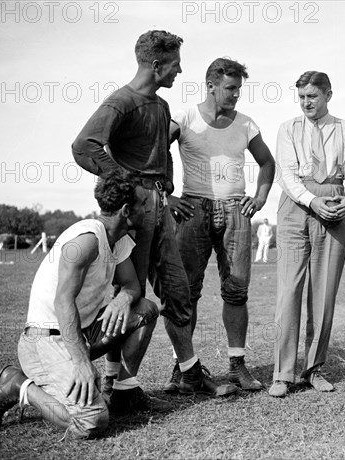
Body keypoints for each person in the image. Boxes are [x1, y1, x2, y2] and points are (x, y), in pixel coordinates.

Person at [72, 31, 234, 398]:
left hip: (161, 208)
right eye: (175, 64)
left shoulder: (160, 107)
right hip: (133, 210)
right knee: (131, 294)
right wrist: (124, 181)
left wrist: (167, 193)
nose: (180, 71)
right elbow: (84, 146)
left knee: (179, 290)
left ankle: (189, 373)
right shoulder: (121, 101)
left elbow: (163, 155)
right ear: (156, 65)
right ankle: (119, 383)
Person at [0, 171, 171, 439]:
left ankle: (123, 391)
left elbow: (132, 286)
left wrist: (124, 297)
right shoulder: (86, 240)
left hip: (79, 334)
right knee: (92, 421)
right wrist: (82, 362)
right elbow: (63, 302)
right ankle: (18, 385)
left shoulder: (117, 240)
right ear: (127, 211)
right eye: (143, 203)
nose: (148, 207)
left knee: (145, 309)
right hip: (45, 339)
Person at [164, 58, 276, 393]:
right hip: (193, 208)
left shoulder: (245, 124)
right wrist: (167, 195)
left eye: (239, 89)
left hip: (235, 211)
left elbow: (267, 162)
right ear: (211, 85)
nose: (236, 95)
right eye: (230, 88)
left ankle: (237, 367)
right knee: (186, 294)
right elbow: (156, 152)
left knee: (237, 291)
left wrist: (260, 197)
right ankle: (182, 368)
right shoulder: (184, 118)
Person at [269, 71, 345, 397]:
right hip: (297, 206)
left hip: (335, 206)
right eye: (302, 97)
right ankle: (283, 373)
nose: (307, 103)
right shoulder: (288, 129)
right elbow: (287, 176)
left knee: (323, 294)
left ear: (328, 95)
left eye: (313, 96)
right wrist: (312, 201)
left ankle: (313, 369)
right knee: (289, 292)